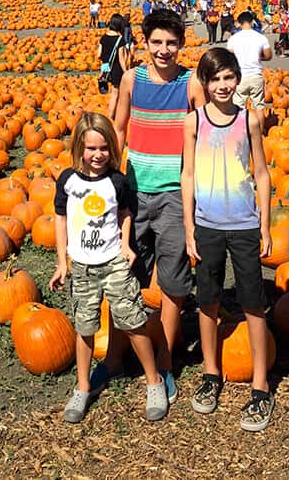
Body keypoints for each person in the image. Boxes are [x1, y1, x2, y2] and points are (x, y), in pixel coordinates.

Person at [101, 10, 205, 402]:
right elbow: (121, 129)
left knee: (175, 280)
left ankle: (164, 358)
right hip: (134, 194)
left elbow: (204, 129)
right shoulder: (132, 80)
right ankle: (115, 354)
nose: (164, 50)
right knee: (125, 273)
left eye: (171, 43)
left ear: (181, 45)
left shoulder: (190, 83)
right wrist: (111, 180)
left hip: (175, 196)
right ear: (145, 44)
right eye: (156, 42)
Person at [49, 112, 167, 423]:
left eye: (103, 148)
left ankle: (153, 381)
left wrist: (126, 245)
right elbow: (60, 220)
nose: (98, 155)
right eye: (91, 149)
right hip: (83, 267)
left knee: (132, 322)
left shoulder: (116, 180)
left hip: (114, 261)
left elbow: (126, 213)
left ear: (111, 148)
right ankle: (83, 387)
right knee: (85, 327)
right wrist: (63, 262)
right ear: (79, 148)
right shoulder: (68, 181)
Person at [181, 47, 273, 430]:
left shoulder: (250, 120)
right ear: (204, 82)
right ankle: (210, 373)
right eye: (215, 78)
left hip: (244, 224)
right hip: (207, 224)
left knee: (253, 303)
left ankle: (261, 386)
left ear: (237, 79)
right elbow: (187, 176)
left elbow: (263, 174)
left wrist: (265, 225)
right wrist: (188, 226)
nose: (223, 85)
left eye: (229, 77)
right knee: (208, 300)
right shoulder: (194, 122)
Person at [226, 11, 272, 133]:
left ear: (239, 23)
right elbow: (268, 56)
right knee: (259, 107)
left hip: (240, 77)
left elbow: (229, 57)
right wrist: (258, 57)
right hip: (256, 75)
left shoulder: (233, 39)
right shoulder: (261, 37)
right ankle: (260, 134)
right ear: (252, 22)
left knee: (238, 107)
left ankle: (239, 134)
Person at [98, 14, 128, 120]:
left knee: (111, 92)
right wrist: (126, 72)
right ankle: (110, 117)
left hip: (105, 68)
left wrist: (105, 62)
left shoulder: (103, 37)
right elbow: (121, 59)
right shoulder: (120, 40)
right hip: (116, 70)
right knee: (116, 94)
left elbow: (99, 55)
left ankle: (113, 114)